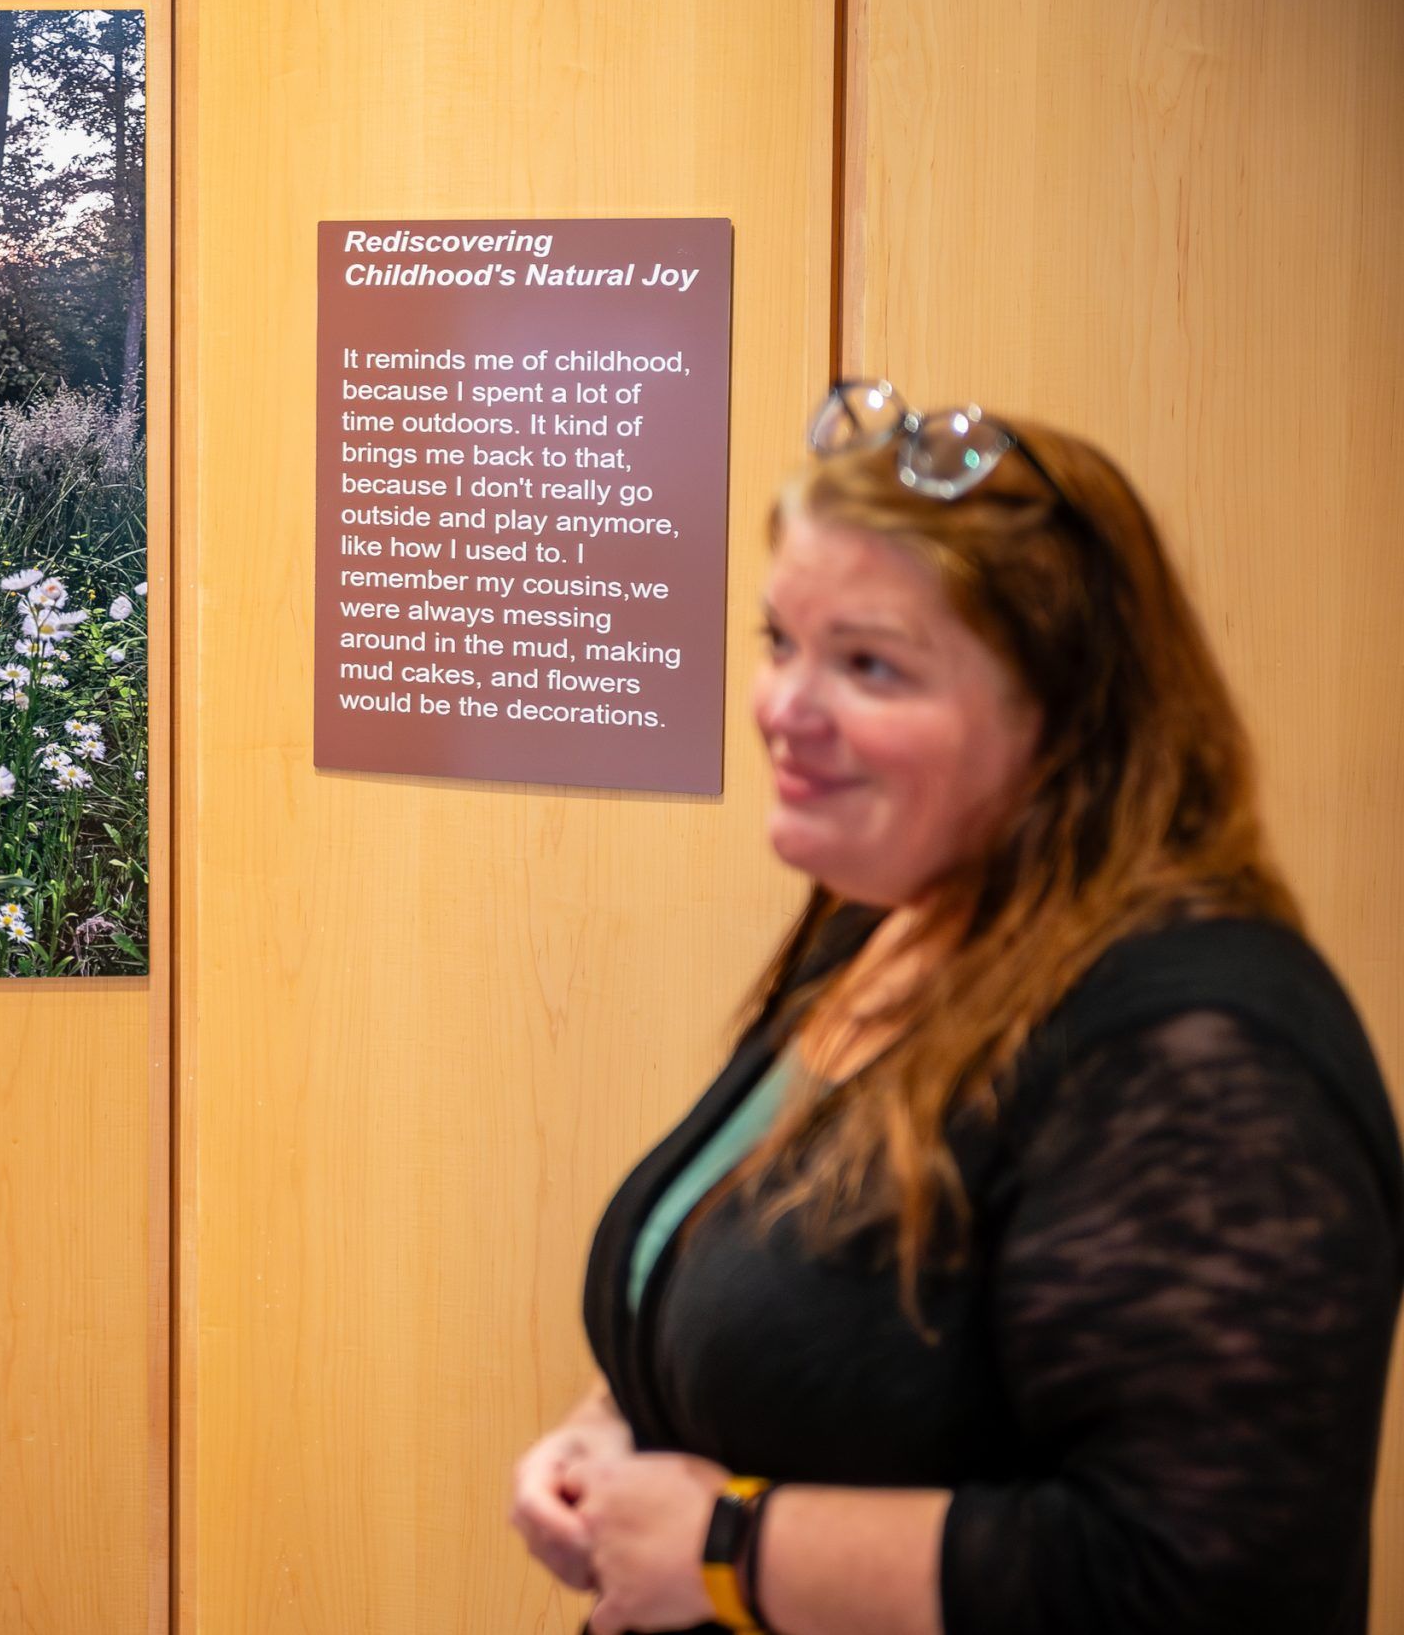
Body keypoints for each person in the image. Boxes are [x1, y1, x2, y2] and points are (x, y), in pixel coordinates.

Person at [510, 380, 1403, 1635]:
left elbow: (1202, 1577)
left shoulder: (1197, 1052)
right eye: (779, 642)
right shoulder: (887, 921)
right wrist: (616, 1436)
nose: (783, 707)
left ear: (1068, 720)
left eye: (869, 664)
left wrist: (730, 1551)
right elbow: (830, 1334)